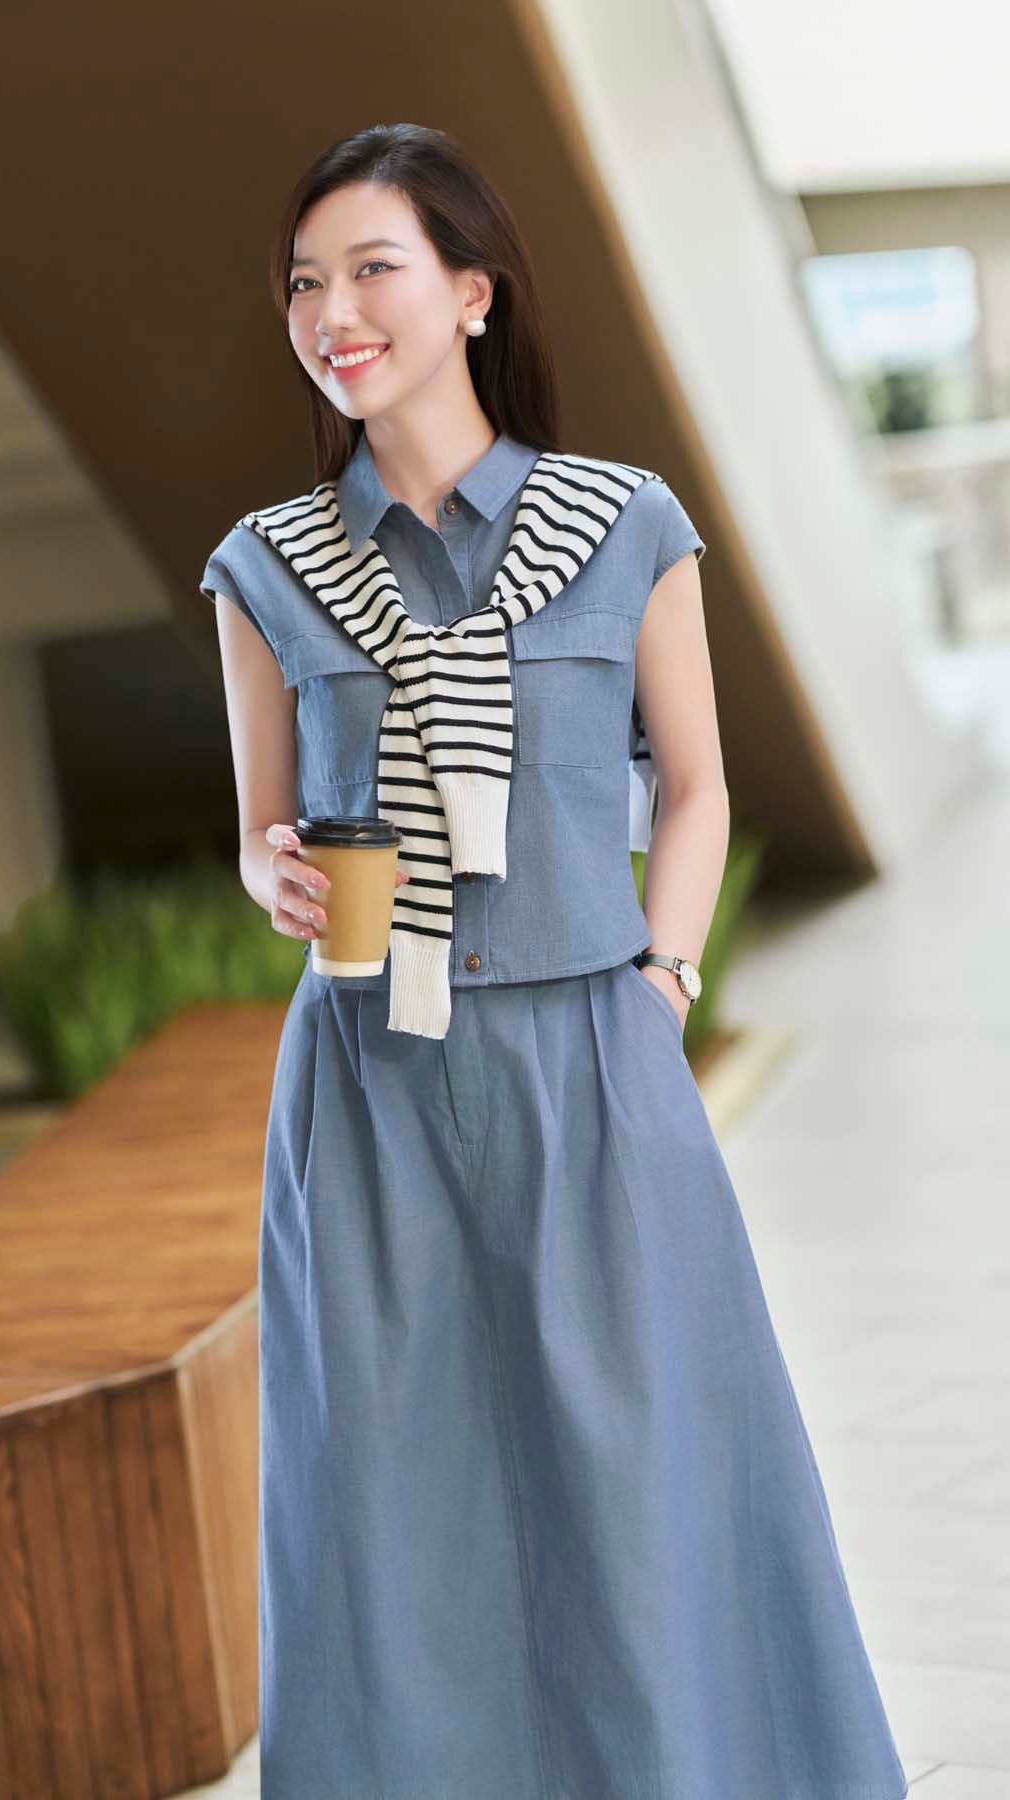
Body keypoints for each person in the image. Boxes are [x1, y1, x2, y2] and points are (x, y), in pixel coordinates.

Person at [199, 123, 907, 1800]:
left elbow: (699, 786)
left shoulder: (622, 524)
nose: (331, 312)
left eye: (373, 269)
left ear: (472, 292)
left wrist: (662, 989)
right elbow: (259, 826)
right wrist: (274, 875)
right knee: (393, 1503)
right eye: (304, 282)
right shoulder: (267, 567)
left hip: (594, 1060)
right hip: (369, 1080)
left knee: (644, 1480)